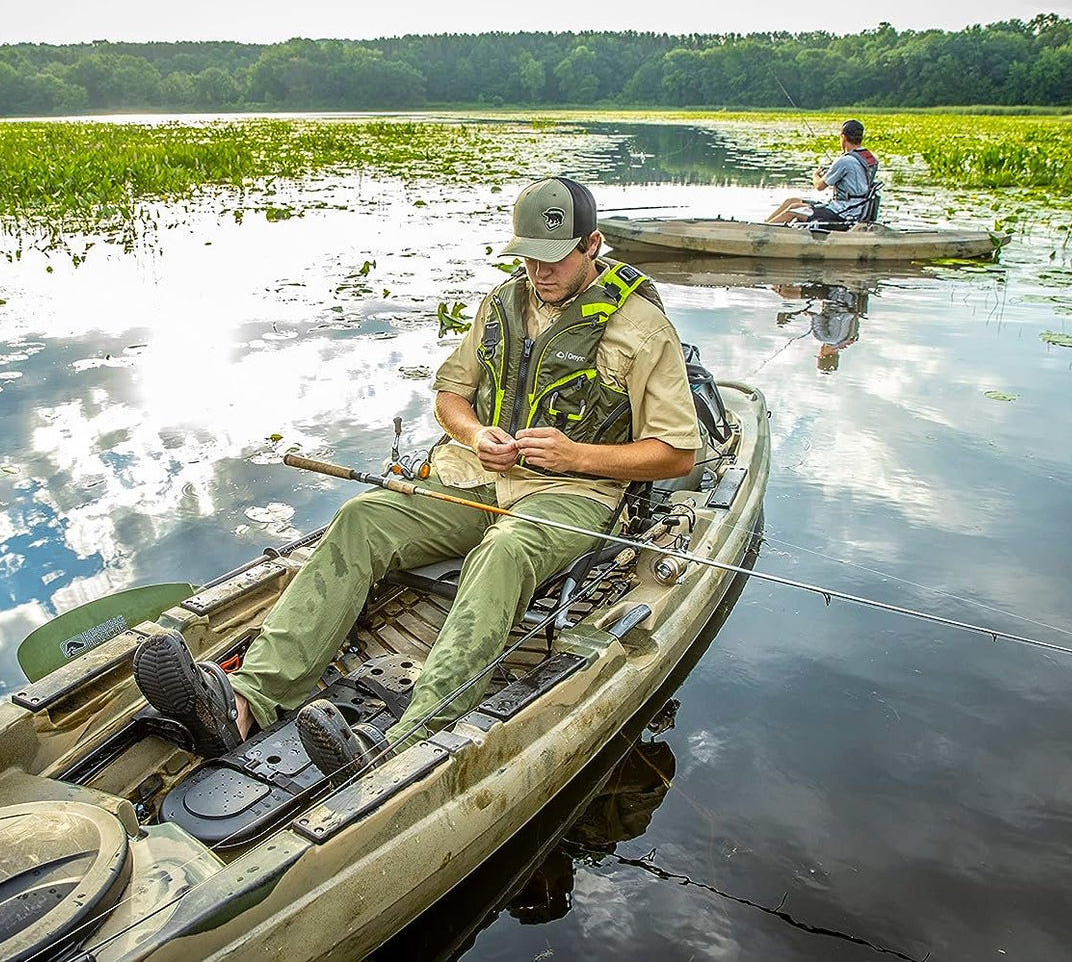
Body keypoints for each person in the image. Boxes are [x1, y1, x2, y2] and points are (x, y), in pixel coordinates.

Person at [131, 176, 702, 783]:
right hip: (475, 478)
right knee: (361, 520)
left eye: (555, 256)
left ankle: (405, 741)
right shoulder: (501, 305)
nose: (539, 270)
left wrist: (576, 456)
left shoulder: (641, 329)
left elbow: (675, 455)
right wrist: (476, 435)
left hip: (570, 494)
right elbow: (451, 396)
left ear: (592, 245)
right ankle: (245, 703)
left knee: (503, 553)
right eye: (528, 255)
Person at [765, 119, 879, 226]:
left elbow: (820, 186)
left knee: (794, 209)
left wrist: (815, 176)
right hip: (857, 208)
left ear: (843, 137)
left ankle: (761, 233)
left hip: (844, 213)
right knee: (790, 201)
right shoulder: (868, 158)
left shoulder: (845, 161)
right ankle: (763, 225)